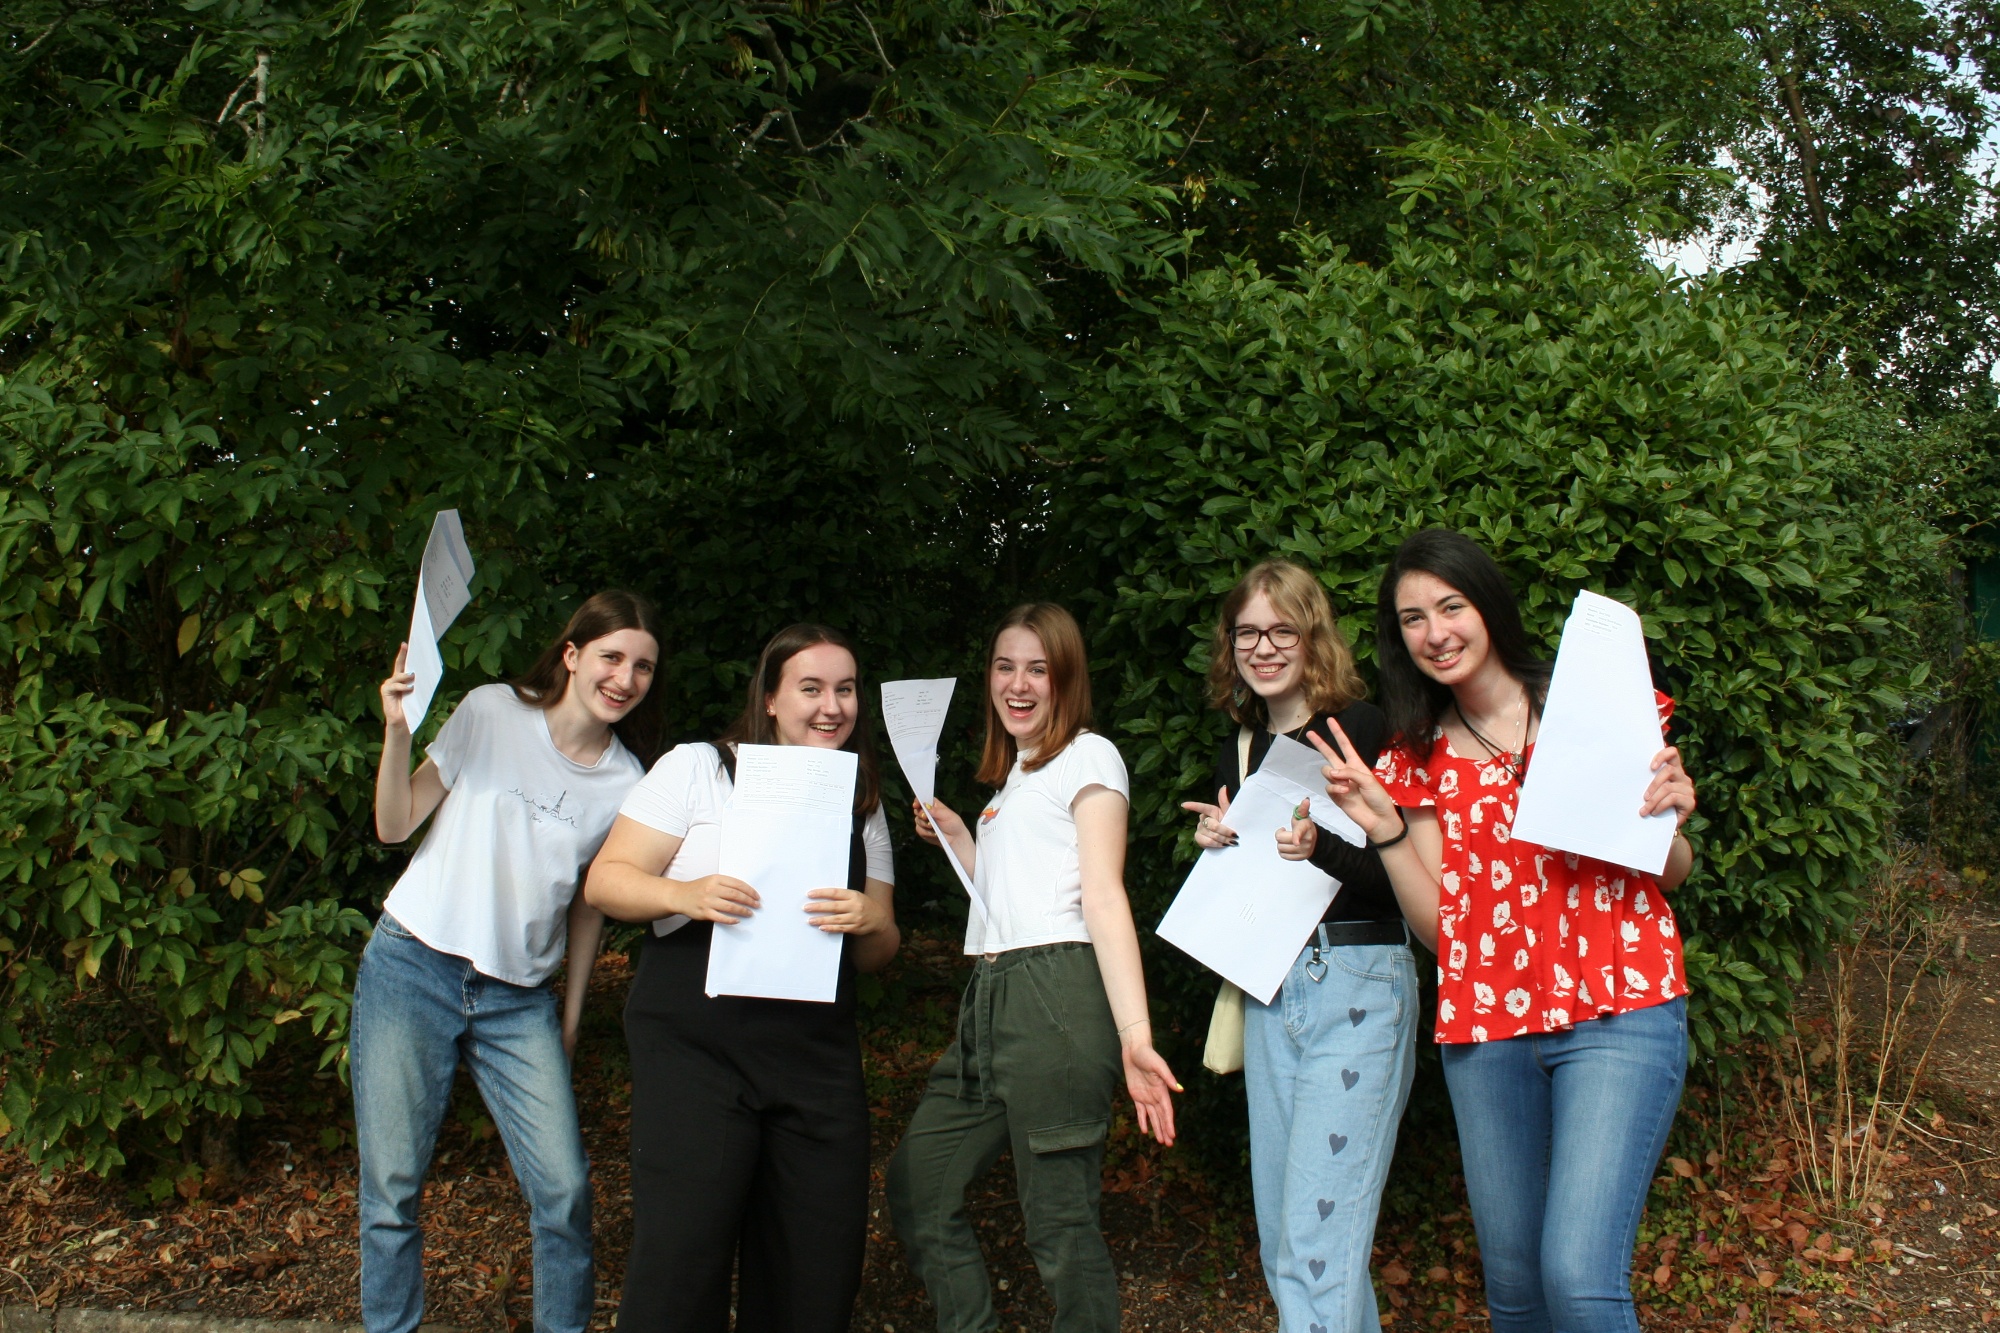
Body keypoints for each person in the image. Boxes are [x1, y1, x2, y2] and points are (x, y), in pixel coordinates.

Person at [1308, 530, 1699, 1333]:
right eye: (1412, 618)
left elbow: (1673, 870)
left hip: (1619, 1008)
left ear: (1488, 606)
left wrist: (1668, 816)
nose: (1436, 631)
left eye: (1450, 606)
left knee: (1580, 1277)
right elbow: (1440, 930)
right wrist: (1384, 828)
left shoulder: (1584, 707)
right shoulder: (1415, 758)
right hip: (1487, 1030)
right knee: (1517, 1293)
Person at [353, 589, 664, 1333]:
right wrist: (397, 731)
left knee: (563, 1191)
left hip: (518, 998)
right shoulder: (493, 711)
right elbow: (394, 823)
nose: (625, 678)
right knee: (392, 1191)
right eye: (611, 657)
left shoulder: (628, 781)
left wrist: (571, 1010)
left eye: (644, 667)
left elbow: (588, 904)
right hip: (412, 966)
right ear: (572, 654)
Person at [585, 623, 899, 1333]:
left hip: (815, 1060)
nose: (832, 706)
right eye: (811, 688)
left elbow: (883, 947)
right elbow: (606, 881)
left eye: (845, 689)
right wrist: (684, 894)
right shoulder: (700, 768)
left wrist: (868, 921)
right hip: (696, 1050)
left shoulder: (862, 799)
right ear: (771, 697)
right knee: (682, 1257)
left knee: (817, 1265)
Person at [886, 602, 1179, 1333]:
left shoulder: (1090, 755)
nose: (1018, 684)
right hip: (989, 999)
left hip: (1056, 994)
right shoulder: (1014, 778)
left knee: (1059, 1224)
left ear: (1066, 677)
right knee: (919, 1183)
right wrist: (961, 831)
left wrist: (1134, 1034)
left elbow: (1102, 894)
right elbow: (1010, 898)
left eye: (1038, 669)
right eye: (1004, 665)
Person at [1177, 560, 1418, 1333]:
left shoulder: (1369, 729)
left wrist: (1322, 847)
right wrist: (1215, 847)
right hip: (1271, 992)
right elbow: (1253, 898)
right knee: (1296, 1243)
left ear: (1312, 634)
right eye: (1248, 631)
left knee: (1317, 1247)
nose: (1264, 646)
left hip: (1358, 979)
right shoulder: (1240, 749)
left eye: (1282, 629)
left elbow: (1408, 888)